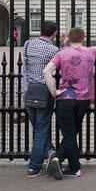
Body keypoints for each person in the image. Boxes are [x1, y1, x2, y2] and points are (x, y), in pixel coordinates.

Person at [43, 27, 96, 179]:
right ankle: (62, 160)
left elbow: (46, 71)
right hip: (83, 99)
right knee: (72, 132)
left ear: (68, 38)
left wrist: (54, 92)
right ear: (84, 37)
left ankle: (72, 165)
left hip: (66, 98)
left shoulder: (61, 54)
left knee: (69, 133)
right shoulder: (91, 52)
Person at [22, 21, 60, 177]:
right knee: (41, 129)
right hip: (44, 92)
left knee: (38, 128)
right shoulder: (53, 50)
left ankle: (50, 153)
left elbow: (24, 67)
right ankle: (34, 166)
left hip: (29, 90)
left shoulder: (28, 44)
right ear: (54, 33)